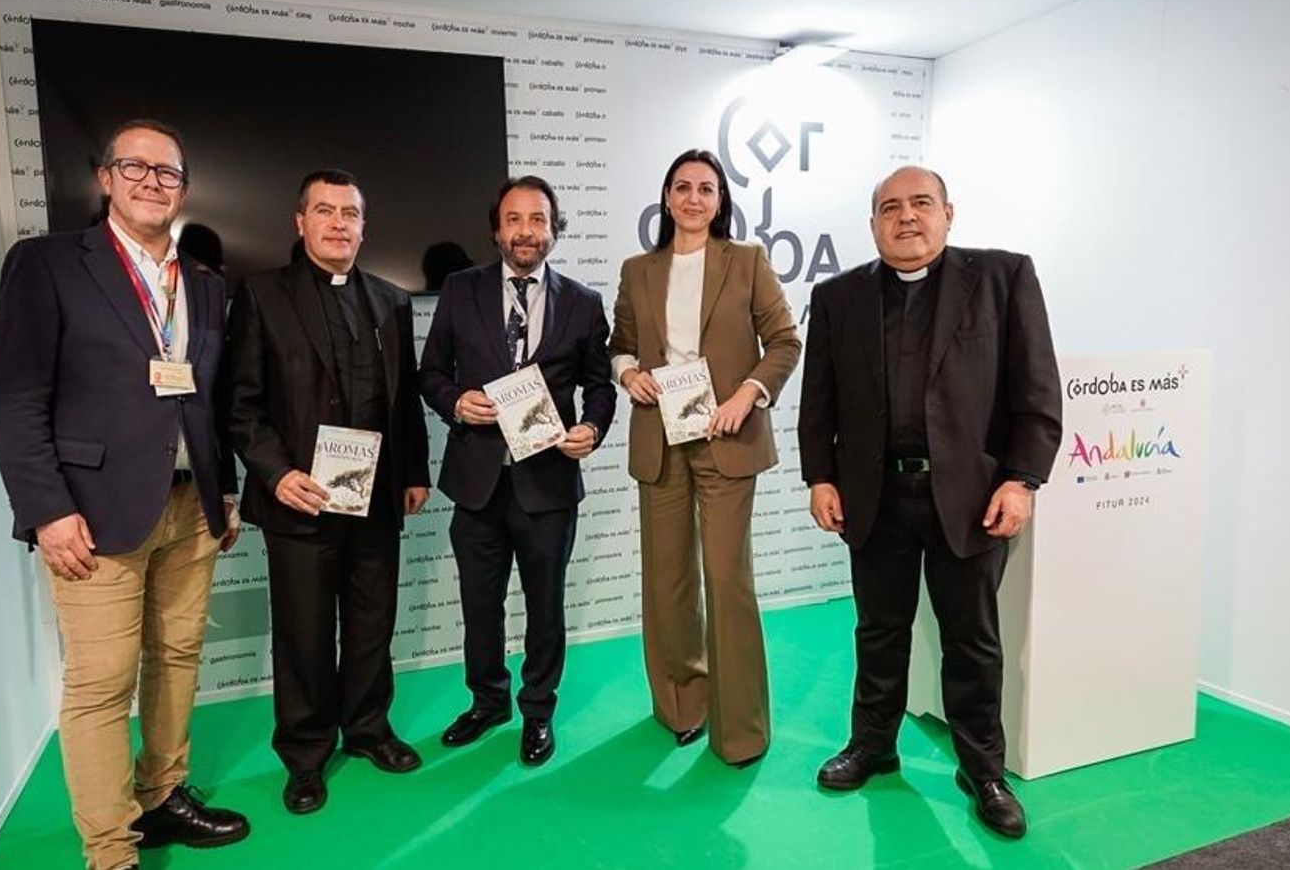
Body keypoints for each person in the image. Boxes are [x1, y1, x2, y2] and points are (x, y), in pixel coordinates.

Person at [0, 119, 249, 870]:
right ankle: (111, 850)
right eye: (134, 167)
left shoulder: (204, 283)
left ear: (184, 189)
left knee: (177, 657)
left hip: (189, 507)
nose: (151, 182)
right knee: (102, 684)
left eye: (167, 172)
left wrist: (223, 491)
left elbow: (208, 399)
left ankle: (163, 797)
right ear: (105, 178)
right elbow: (13, 396)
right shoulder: (48, 265)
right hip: (91, 514)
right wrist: (45, 509)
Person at [798, 165, 1062, 838]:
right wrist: (820, 477)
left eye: (921, 203)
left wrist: (1021, 479)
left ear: (949, 212)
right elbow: (818, 401)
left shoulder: (1003, 279)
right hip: (875, 495)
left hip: (972, 498)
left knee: (972, 643)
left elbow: (1036, 394)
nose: (906, 216)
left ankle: (984, 772)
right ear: (873, 223)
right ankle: (873, 745)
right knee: (878, 632)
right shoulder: (837, 297)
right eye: (891, 207)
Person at [223, 169, 431, 815]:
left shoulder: (392, 300)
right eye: (325, 211)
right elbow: (241, 406)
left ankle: (368, 728)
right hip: (300, 498)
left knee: (372, 622)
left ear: (364, 226)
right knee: (305, 633)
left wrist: (415, 471)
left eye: (350, 213)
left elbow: (405, 403)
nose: (339, 223)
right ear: (300, 222)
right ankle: (306, 755)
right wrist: (278, 474)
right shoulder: (260, 295)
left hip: (374, 496)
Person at [607, 149, 800, 766]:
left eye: (707, 189)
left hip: (726, 435)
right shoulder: (638, 269)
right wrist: (626, 370)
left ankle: (741, 729)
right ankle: (681, 706)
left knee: (725, 577)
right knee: (667, 581)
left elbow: (784, 341)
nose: (694, 198)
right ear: (666, 198)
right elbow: (621, 343)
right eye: (683, 187)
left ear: (720, 202)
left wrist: (747, 393)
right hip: (659, 437)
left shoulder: (746, 262)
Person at [419, 176, 616, 766]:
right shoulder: (460, 290)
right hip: (477, 481)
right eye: (514, 219)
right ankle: (486, 702)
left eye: (538, 219)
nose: (526, 230)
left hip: (548, 482)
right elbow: (430, 373)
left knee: (545, 604)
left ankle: (537, 711)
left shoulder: (582, 301)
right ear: (496, 229)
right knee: (480, 605)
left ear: (554, 229)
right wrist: (455, 401)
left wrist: (592, 429)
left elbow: (599, 384)